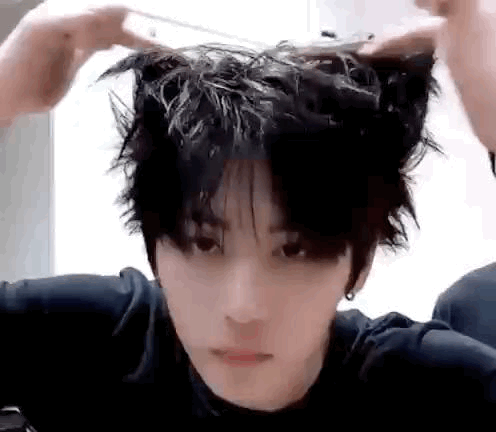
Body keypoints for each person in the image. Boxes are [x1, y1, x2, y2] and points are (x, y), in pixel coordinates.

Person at [1, 1, 496, 429]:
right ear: (155, 246)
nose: (243, 307)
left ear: (360, 263)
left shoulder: (425, 387)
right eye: (205, 243)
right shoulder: (101, 342)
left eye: (293, 250)